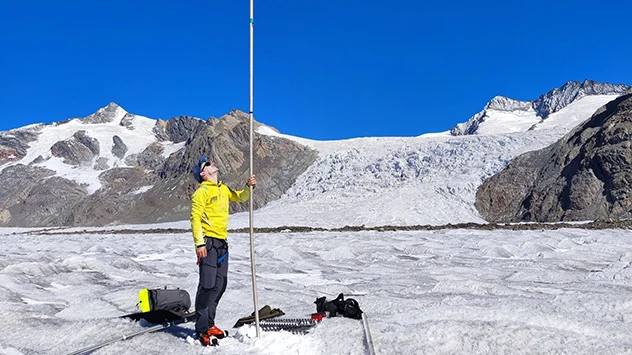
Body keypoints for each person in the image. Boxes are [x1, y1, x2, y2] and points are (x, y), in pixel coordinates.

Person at [190, 156, 256, 346]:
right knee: (207, 285)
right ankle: (201, 329)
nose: (212, 164)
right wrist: (199, 244)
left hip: (222, 244)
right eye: (207, 164)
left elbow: (241, 197)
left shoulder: (223, 189)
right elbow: (195, 219)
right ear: (203, 173)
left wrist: (248, 186)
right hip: (208, 243)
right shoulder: (201, 192)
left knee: (220, 285)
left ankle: (210, 323)